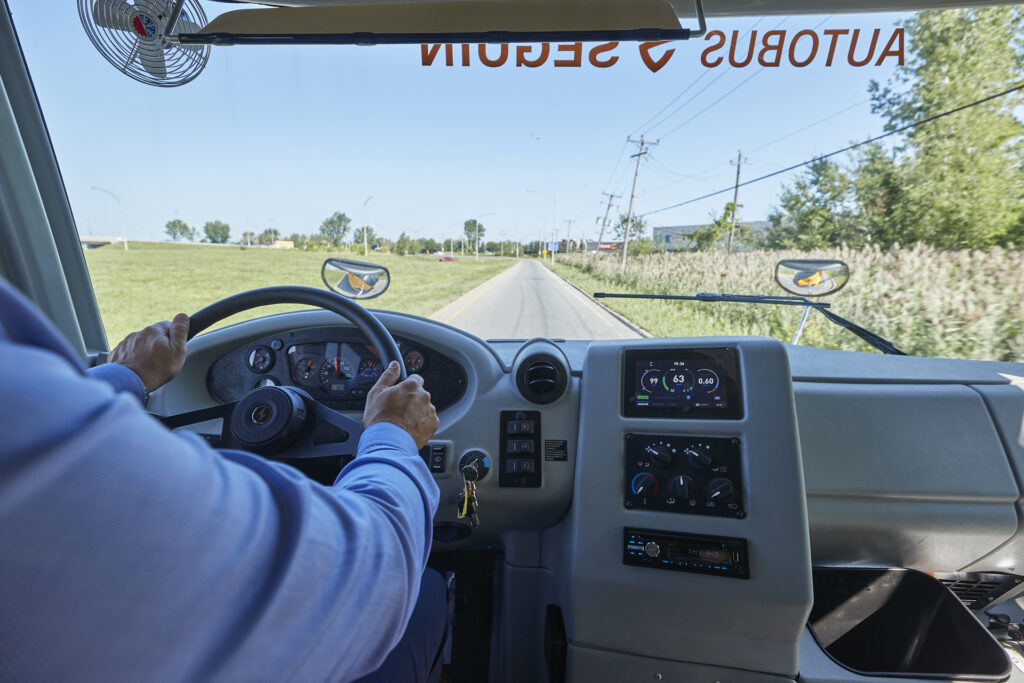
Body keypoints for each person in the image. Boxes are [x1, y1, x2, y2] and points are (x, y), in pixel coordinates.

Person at [0, 277, 448, 682]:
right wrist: (392, 436)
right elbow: (374, 570)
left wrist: (124, 376)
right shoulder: (47, 462)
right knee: (422, 592)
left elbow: (43, 409)